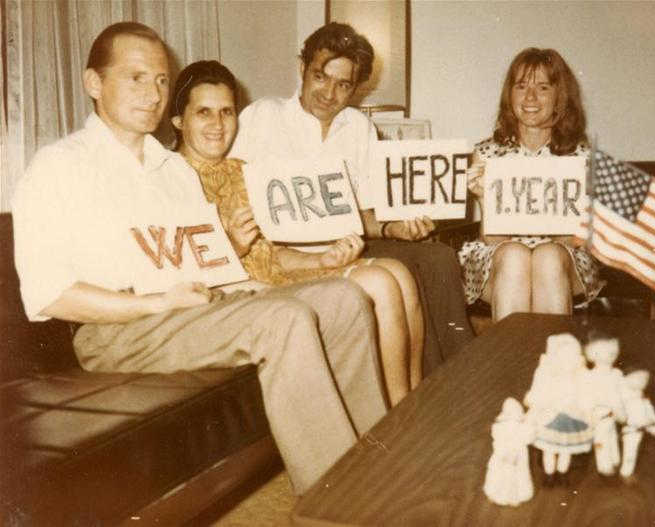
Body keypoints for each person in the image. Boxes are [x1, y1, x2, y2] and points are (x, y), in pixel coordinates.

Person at [11, 21, 389, 495]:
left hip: (185, 312)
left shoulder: (174, 171)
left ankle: (378, 476)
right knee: (283, 318)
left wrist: (241, 280)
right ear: (93, 83)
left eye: (162, 80)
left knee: (342, 298)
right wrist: (154, 304)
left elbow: (205, 265)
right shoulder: (59, 167)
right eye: (136, 77)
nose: (153, 93)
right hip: (115, 331)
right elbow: (51, 296)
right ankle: (336, 501)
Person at [169, 60, 422, 406]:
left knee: (396, 273)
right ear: (179, 121)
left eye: (227, 112)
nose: (218, 124)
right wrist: (233, 249)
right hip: (234, 299)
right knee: (379, 281)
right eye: (204, 113)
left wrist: (324, 257)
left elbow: (272, 254)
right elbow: (177, 271)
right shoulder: (169, 179)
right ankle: (398, 411)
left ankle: (408, 404)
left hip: (274, 279)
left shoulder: (243, 171)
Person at [230, 22, 473, 374]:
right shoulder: (263, 116)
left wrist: (394, 229)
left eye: (343, 84)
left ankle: (444, 382)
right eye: (320, 77)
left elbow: (365, 214)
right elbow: (227, 186)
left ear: (356, 88)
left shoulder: (359, 128)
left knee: (437, 256)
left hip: (347, 247)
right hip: (283, 253)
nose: (329, 93)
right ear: (302, 68)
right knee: (401, 276)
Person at [458, 48, 603, 321]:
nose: (530, 97)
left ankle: (556, 361)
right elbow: (492, 240)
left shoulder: (581, 157)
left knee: (547, 257)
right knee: (515, 256)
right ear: (509, 95)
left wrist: (544, 251)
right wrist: (484, 198)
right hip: (501, 256)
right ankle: (512, 361)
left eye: (543, 87)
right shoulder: (488, 154)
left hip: (563, 256)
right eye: (521, 86)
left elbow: (574, 238)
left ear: (560, 97)